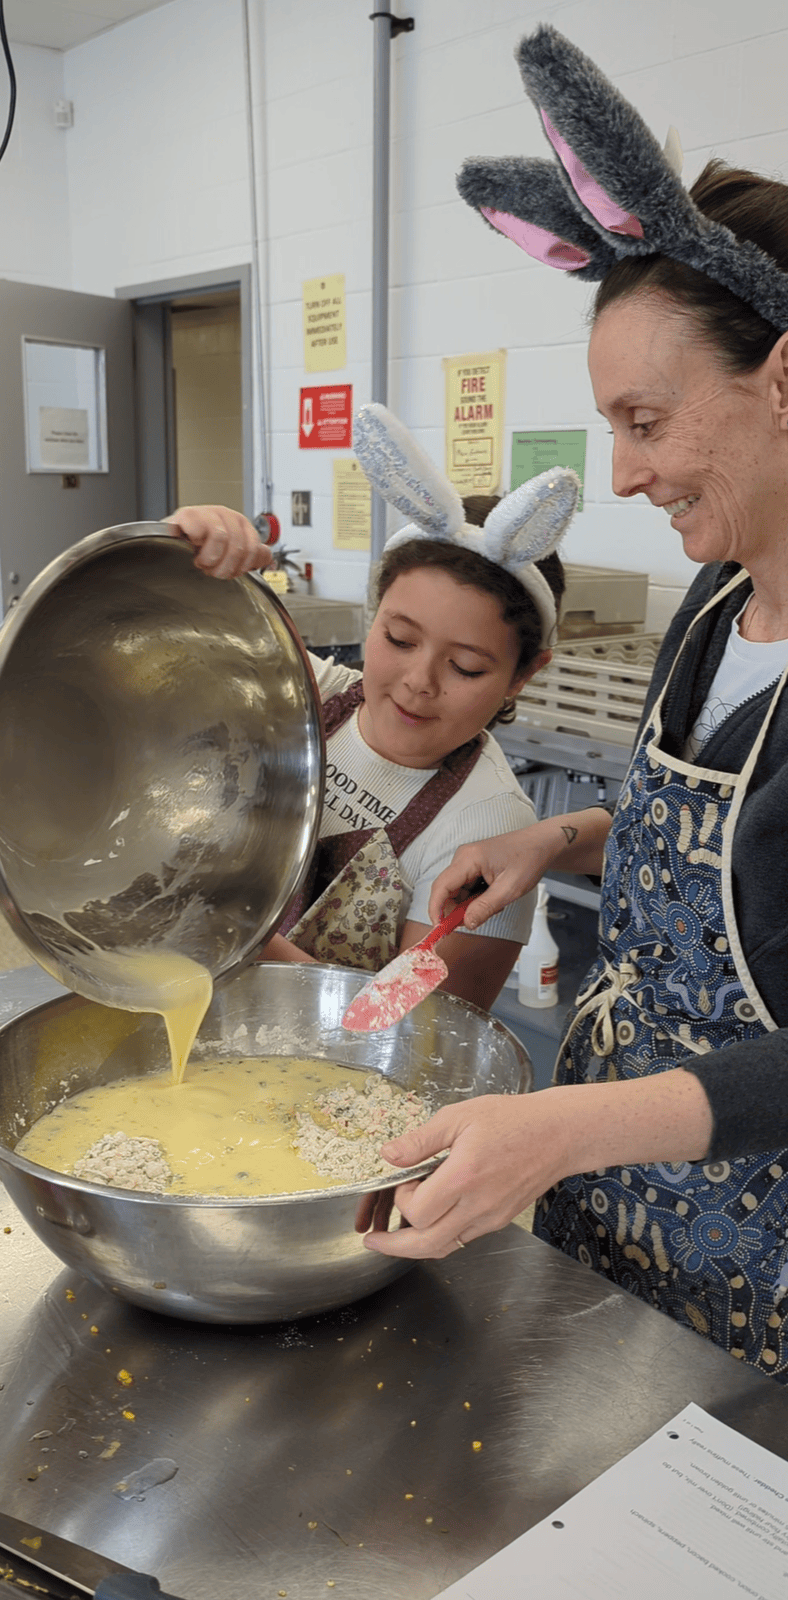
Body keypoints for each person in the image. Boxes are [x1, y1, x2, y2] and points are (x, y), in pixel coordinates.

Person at [359, 24, 788, 1382]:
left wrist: (567, 1130)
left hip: (761, 1261)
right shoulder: (716, 609)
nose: (617, 475)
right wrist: (550, 841)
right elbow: (707, 839)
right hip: (614, 1205)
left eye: (644, 423)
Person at [166, 432, 576, 1011]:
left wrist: (240, 935)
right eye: (399, 638)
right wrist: (188, 547)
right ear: (373, 615)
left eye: (464, 666)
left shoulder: (491, 830)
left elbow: (419, 1033)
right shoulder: (304, 693)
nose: (418, 681)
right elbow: (156, 642)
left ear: (522, 675)